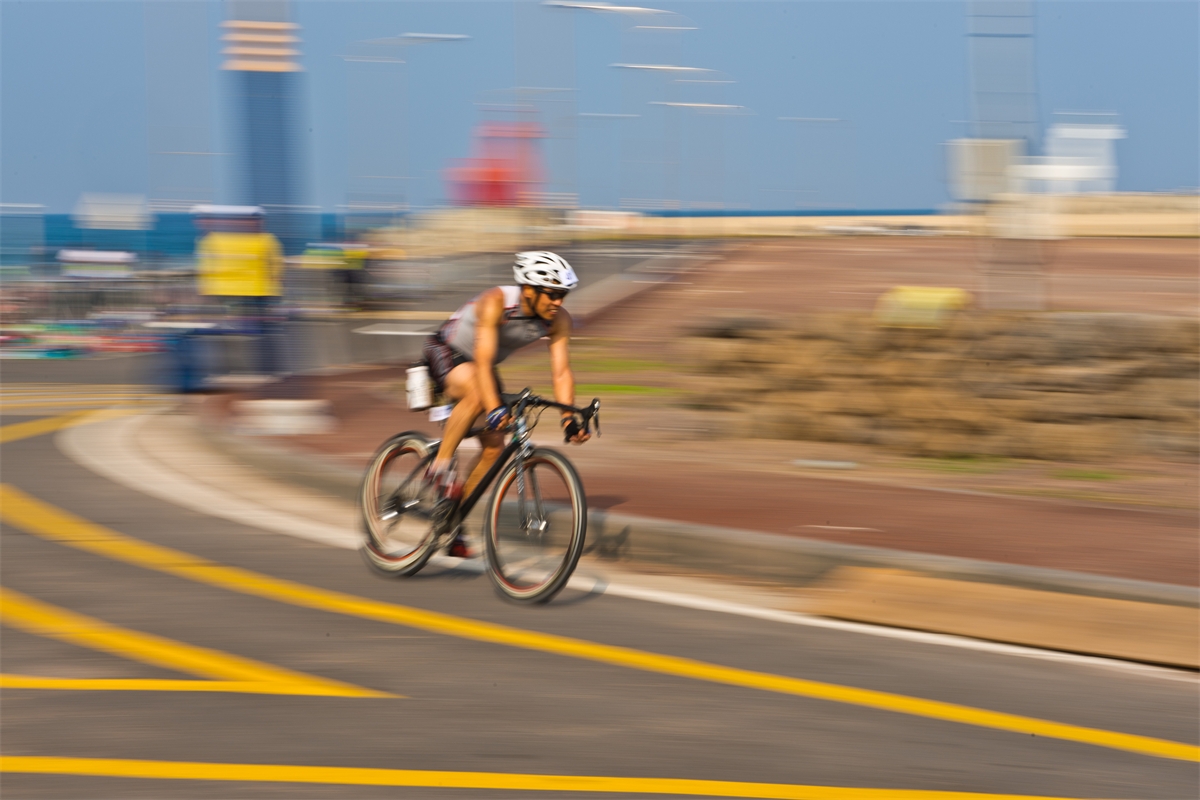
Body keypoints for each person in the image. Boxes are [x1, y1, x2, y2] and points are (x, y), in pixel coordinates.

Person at [422, 251, 591, 556]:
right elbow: (483, 362)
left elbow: (561, 371)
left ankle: (451, 522)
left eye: (563, 295)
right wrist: (494, 408)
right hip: (446, 351)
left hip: (480, 367)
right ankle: (440, 468)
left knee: (494, 448)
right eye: (552, 294)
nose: (558, 302)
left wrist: (568, 418)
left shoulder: (558, 320)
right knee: (480, 396)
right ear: (529, 290)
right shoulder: (496, 302)